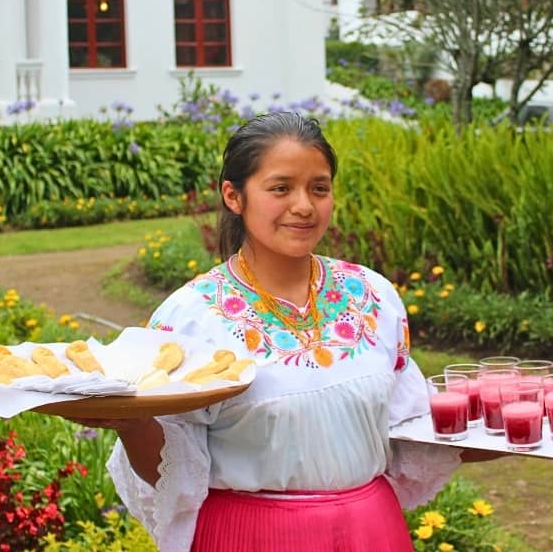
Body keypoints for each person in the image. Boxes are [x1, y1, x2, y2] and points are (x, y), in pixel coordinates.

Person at [70, 112, 499, 551]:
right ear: (233, 196)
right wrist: (129, 421)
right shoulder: (191, 317)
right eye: (280, 188)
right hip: (248, 536)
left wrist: (519, 429)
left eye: (320, 187)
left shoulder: (372, 295)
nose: (304, 206)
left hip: (371, 533)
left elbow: (410, 435)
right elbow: (174, 469)